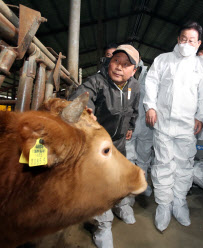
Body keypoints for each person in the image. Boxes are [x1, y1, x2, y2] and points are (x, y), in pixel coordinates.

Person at [69, 44, 140, 248]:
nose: (119, 67)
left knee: (119, 179)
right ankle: (102, 227)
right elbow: (82, 97)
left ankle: (121, 205)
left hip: (118, 142)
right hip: (96, 146)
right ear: (109, 62)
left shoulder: (134, 86)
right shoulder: (97, 82)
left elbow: (133, 109)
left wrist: (131, 125)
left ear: (133, 71)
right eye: (116, 61)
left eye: (126, 64)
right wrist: (84, 111)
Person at [143, 21, 203, 232]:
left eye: (191, 40)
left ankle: (179, 201)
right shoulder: (163, 60)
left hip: (187, 124)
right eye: (183, 39)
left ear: (198, 43)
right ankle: (163, 204)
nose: (186, 43)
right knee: (163, 162)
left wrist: (200, 116)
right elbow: (151, 83)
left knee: (184, 164)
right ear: (177, 39)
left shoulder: (202, 66)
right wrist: (150, 107)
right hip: (163, 121)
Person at [125, 59, 154, 197]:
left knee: (144, 157)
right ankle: (130, 188)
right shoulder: (124, 77)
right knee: (129, 158)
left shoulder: (150, 76)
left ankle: (143, 185)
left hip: (147, 125)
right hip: (129, 124)